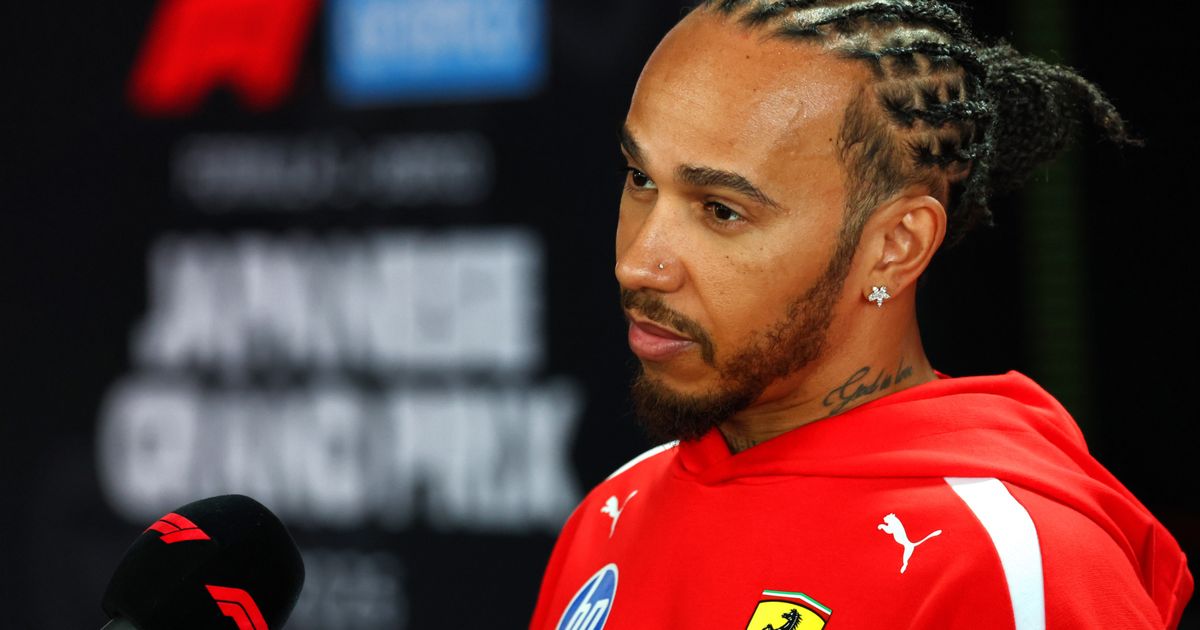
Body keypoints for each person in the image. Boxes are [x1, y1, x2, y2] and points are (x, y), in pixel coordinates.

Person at [531, 1, 1193, 629]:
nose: (639, 265)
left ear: (894, 246)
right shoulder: (612, 514)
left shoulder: (1010, 561)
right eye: (641, 179)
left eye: (721, 210)